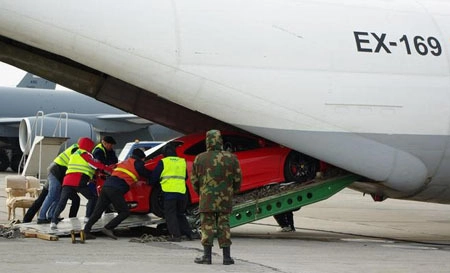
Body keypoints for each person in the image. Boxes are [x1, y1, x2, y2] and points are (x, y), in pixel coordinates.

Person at [191, 130, 242, 265]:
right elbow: (237, 179)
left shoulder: (199, 158)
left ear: (207, 141)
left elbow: (194, 181)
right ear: (220, 141)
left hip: (206, 198)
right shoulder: (231, 158)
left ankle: (207, 257)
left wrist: (201, 193)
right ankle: (226, 257)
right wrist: (232, 192)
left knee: (207, 225)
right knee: (224, 225)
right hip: (225, 199)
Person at [83, 148, 152, 240]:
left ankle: (86, 232)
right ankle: (108, 228)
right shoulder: (138, 163)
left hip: (106, 187)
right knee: (125, 212)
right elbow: (147, 174)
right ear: (141, 158)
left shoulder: (125, 162)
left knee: (97, 212)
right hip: (115, 189)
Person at [50, 137, 113, 229]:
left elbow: (84, 167)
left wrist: (91, 176)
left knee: (62, 202)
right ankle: (87, 218)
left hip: (67, 181)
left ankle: (53, 221)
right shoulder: (84, 154)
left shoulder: (75, 154)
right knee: (92, 198)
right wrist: (109, 169)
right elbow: (94, 165)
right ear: (88, 145)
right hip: (79, 180)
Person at [149, 144, 194, 242]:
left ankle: (175, 236)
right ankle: (189, 234)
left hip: (169, 193)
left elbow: (155, 176)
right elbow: (185, 177)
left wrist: (152, 182)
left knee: (170, 214)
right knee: (180, 214)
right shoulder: (182, 162)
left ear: (164, 154)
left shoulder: (164, 162)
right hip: (182, 193)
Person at [35, 143, 81, 224]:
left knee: (58, 197)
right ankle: (41, 217)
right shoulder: (77, 150)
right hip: (56, 171)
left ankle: (51, 216)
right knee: (52, 195)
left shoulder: (77, 148)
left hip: (61, 173)